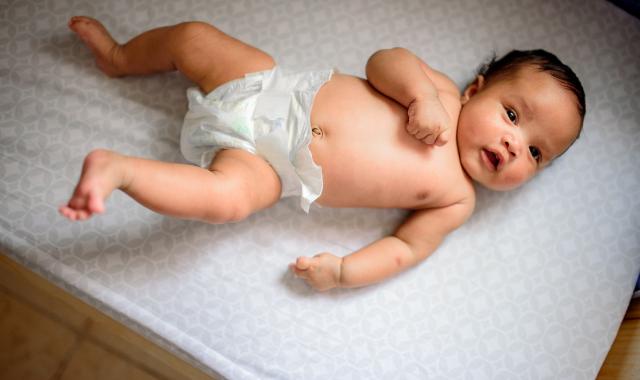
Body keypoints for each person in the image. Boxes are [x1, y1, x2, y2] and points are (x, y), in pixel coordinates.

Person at [60, 16, 586, 291]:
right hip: (266, 85)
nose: (516, 144)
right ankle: (120, 58)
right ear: (475, 91)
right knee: (195, 39)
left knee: (229, 202)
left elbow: (405, 249)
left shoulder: (456, 200)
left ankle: (122, 171)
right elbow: (383, 59)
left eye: (537, 154)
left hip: (271, 166)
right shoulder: (442, 94)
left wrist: (344, 273)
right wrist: (418, 96)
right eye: (513, 116)